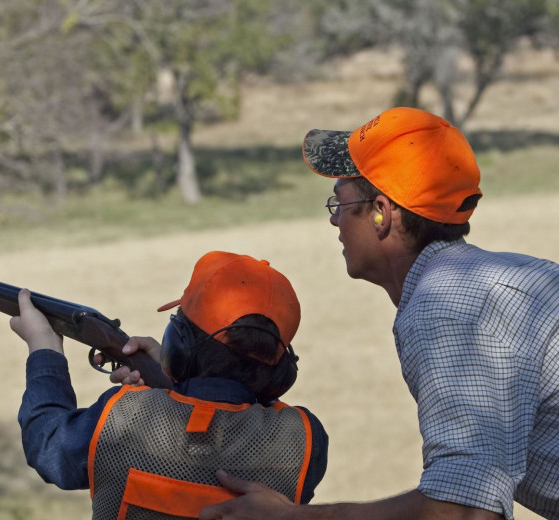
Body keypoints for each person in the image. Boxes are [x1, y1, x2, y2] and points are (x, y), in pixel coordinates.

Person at [189, 107, 559, 519]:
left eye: (340, 202)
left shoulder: (446, 313)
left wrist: (291, 517)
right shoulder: (505, 278)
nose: (334, 220)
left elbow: (463, 511)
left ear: (381, 212)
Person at [11, 250, 329, 519]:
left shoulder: (123, 418)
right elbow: (227, 426)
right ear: (281, 374)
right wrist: (175, 383)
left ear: (178, 344)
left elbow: (47, 442)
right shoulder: (305, 439)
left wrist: (44, 348)